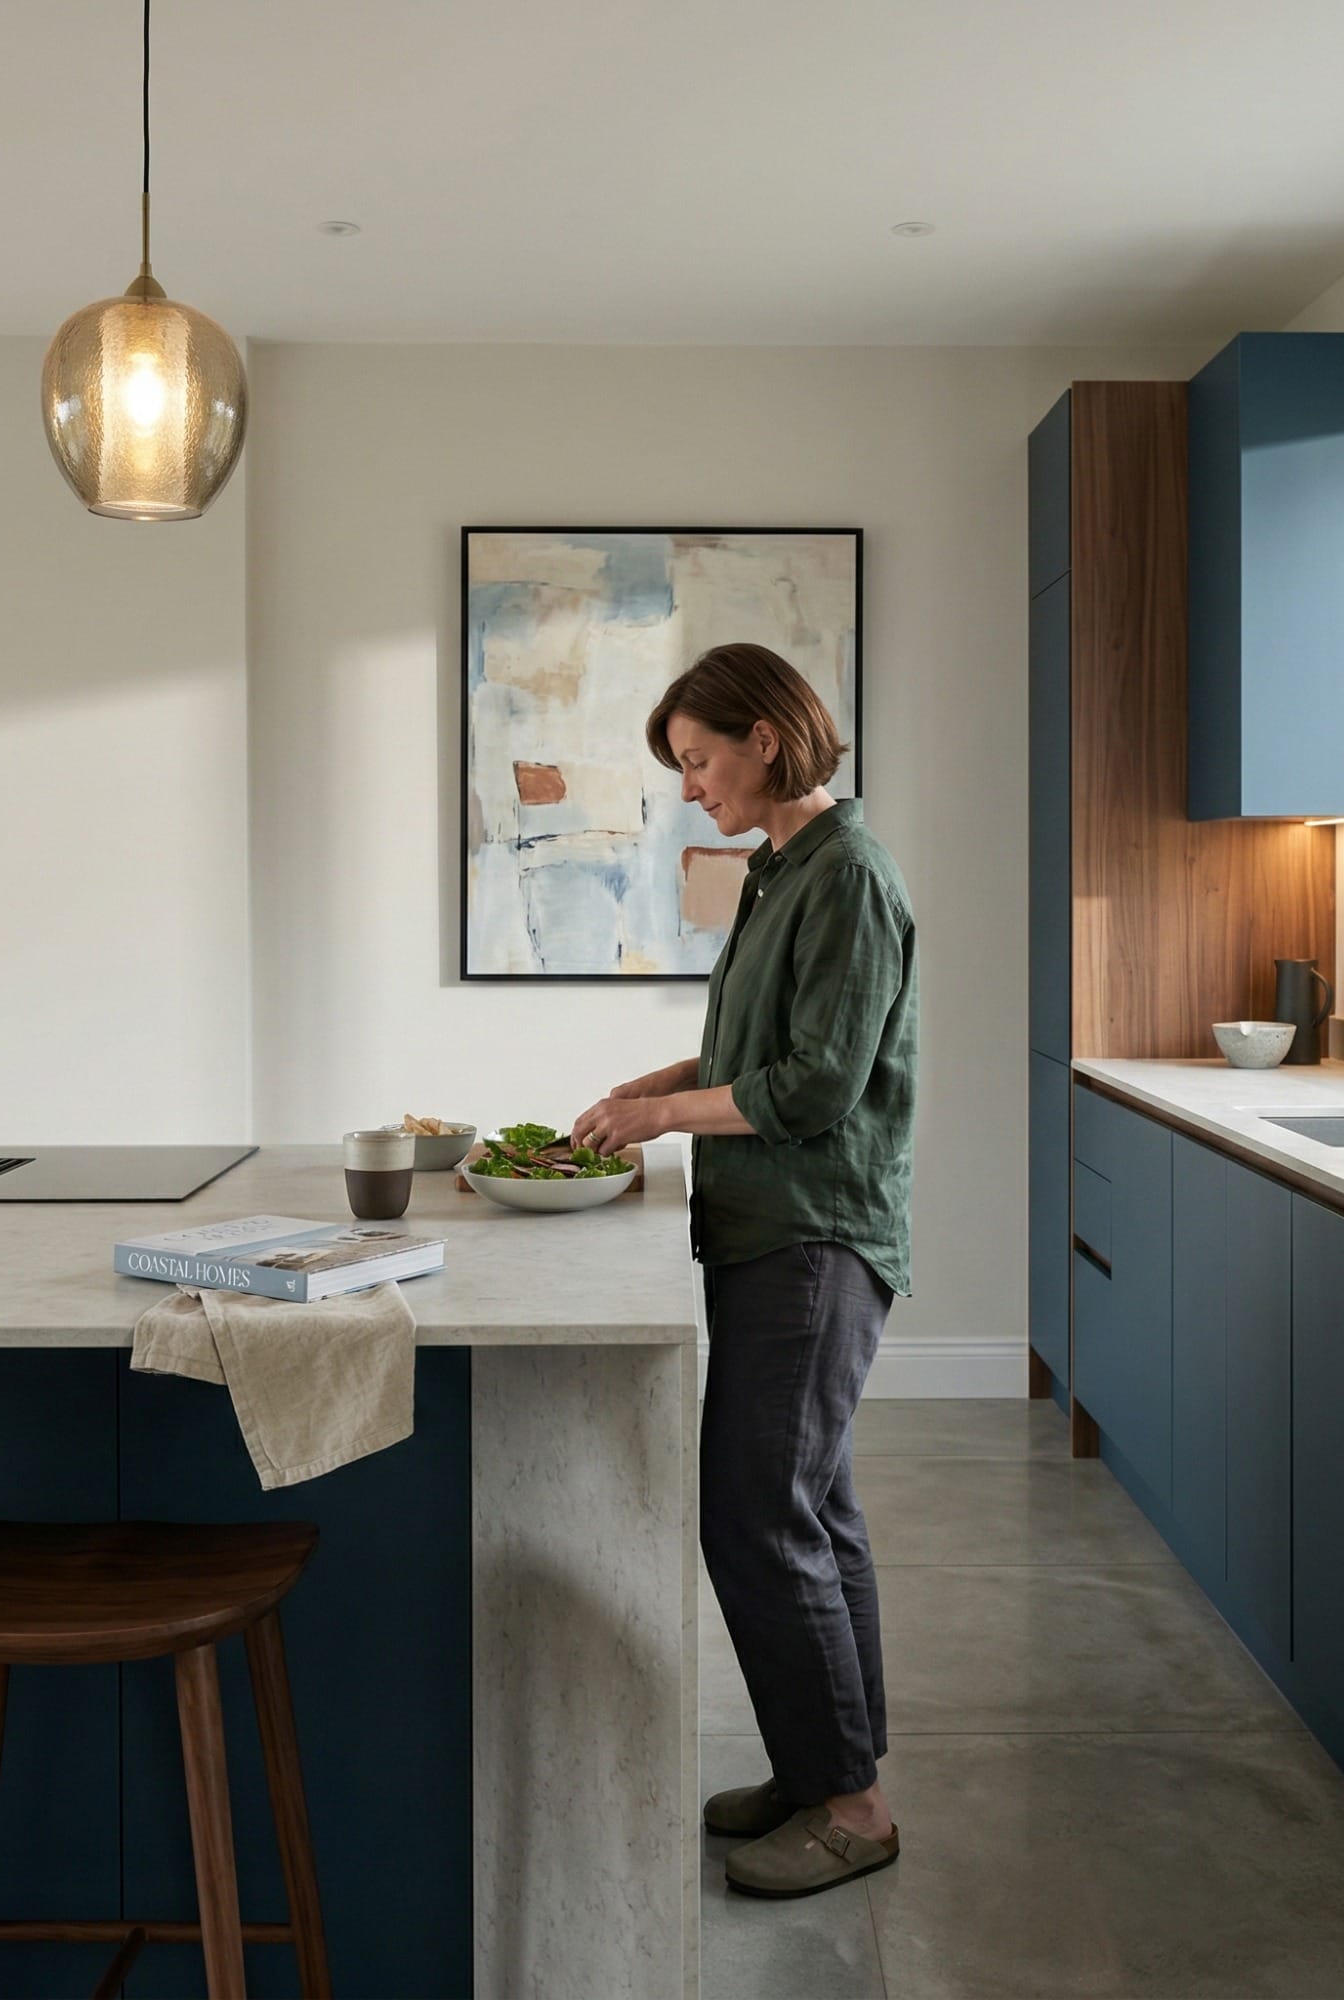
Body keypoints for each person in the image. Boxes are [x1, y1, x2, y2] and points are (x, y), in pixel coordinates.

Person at [573, 640, 918, 1900]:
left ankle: (852, 1807)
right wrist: (666, 1081)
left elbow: (821, 1084)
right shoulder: (782, 871)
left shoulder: (849, 877)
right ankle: (821, 1763)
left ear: (763, 740)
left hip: (815, 1233)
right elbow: (756, 1044)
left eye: (700, 759)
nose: (692, 787)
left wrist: (668, 1124)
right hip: (774, 1228)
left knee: (755, 1512)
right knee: (810, 1507)